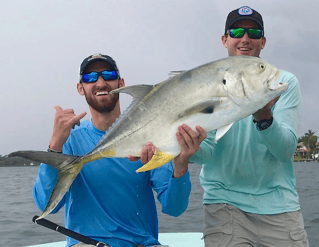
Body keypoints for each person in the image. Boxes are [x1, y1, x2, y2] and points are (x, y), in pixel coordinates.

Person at [33, 53, 206, 247]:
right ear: (80, 88)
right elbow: (45, 204)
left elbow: (174, 208)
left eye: (108, 75)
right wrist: (54, 145)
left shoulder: (150, 137)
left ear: (120, 83)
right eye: (90, 77)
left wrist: (181, 163)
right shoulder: (70, 140)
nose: (100, 82)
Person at [188, 6, 309, 247]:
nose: (245, 39)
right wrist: (189, 147)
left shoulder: (283, 82)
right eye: (236, 32)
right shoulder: (207, 83)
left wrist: (264, 118)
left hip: (279, 206)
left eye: (253, 32)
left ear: (263, 41)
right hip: (225, 205)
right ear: (225, 39)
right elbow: (207, 152)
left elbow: (285, 151)